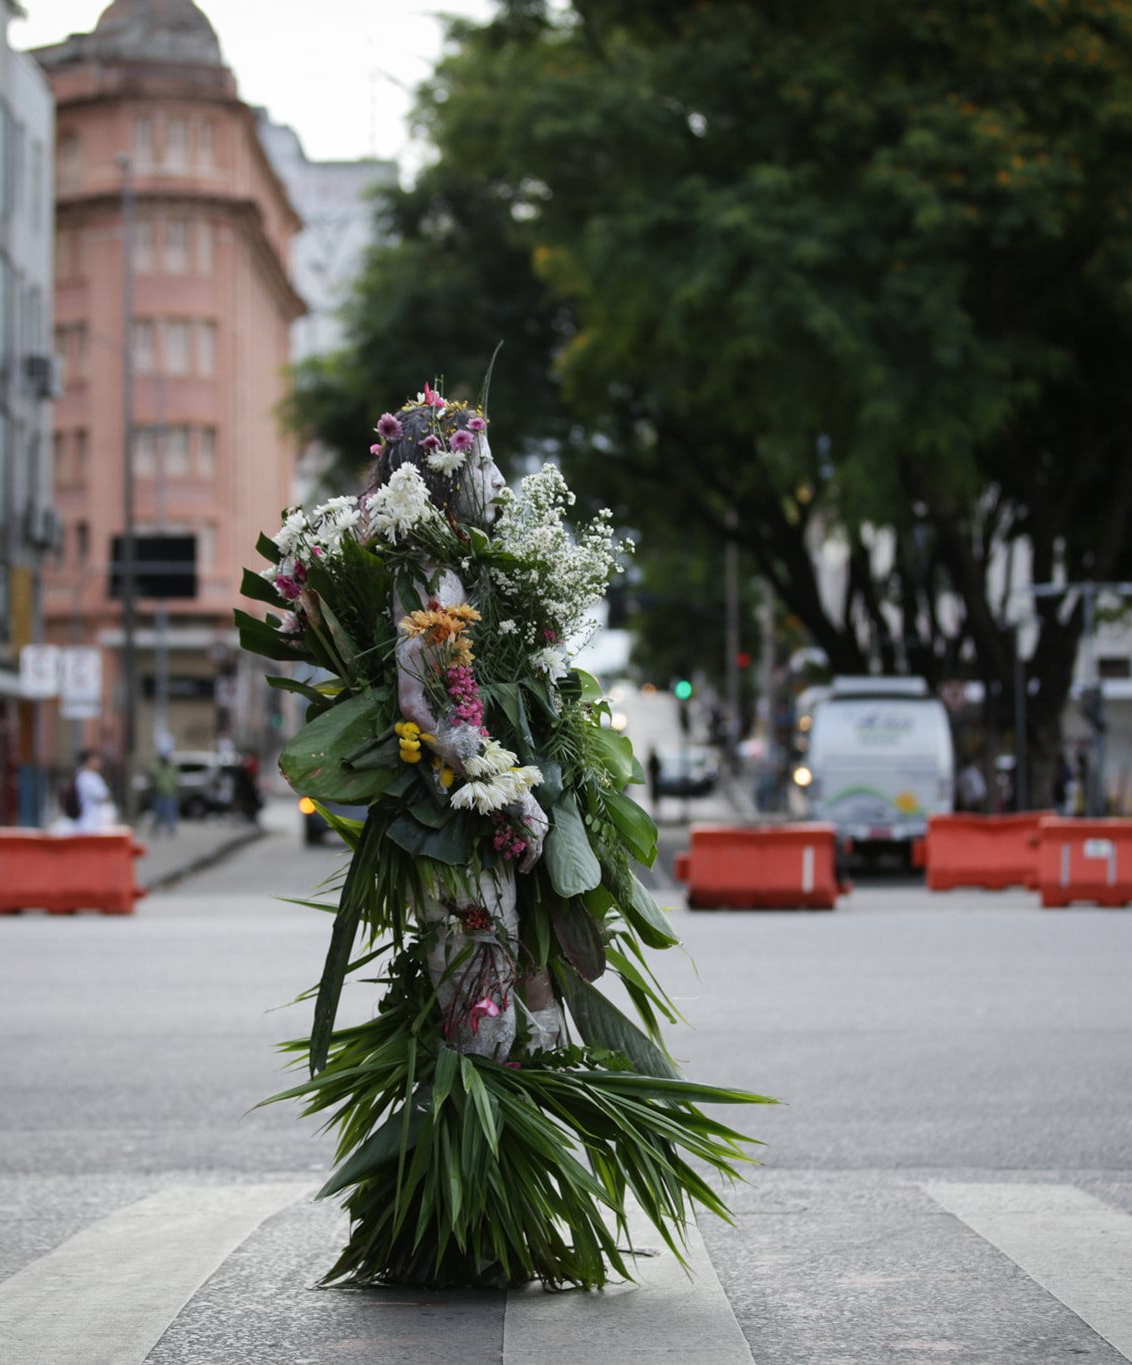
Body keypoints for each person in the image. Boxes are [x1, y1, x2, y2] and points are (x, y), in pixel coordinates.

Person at [240, 380, 765, 1290]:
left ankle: (468, 1224)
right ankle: (463, 1228)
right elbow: (434, 707)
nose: (493, 477)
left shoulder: (450, 566)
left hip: (472, 828)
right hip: (458, 835)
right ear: (443, 473)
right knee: (480, 1021)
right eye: (480, 461)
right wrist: (509, 792)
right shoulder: (424, 575)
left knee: (496, 1015)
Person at [74, 748, 117, 832]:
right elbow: (104, 796)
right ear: (90, 760)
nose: (100, 763)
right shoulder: (90, 777)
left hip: (87, 822)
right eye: (97, 760)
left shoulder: (81, 775)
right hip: (93, 824)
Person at [147, 753, 180, 837]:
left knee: (171, 812)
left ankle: (171, 829)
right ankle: (155, 829)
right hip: (159, 793)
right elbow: (151, 769)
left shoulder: (171, 769)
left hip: (170, 793)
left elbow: (175, 780)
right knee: (158, 812)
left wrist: (176, 790)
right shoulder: (158, 768)